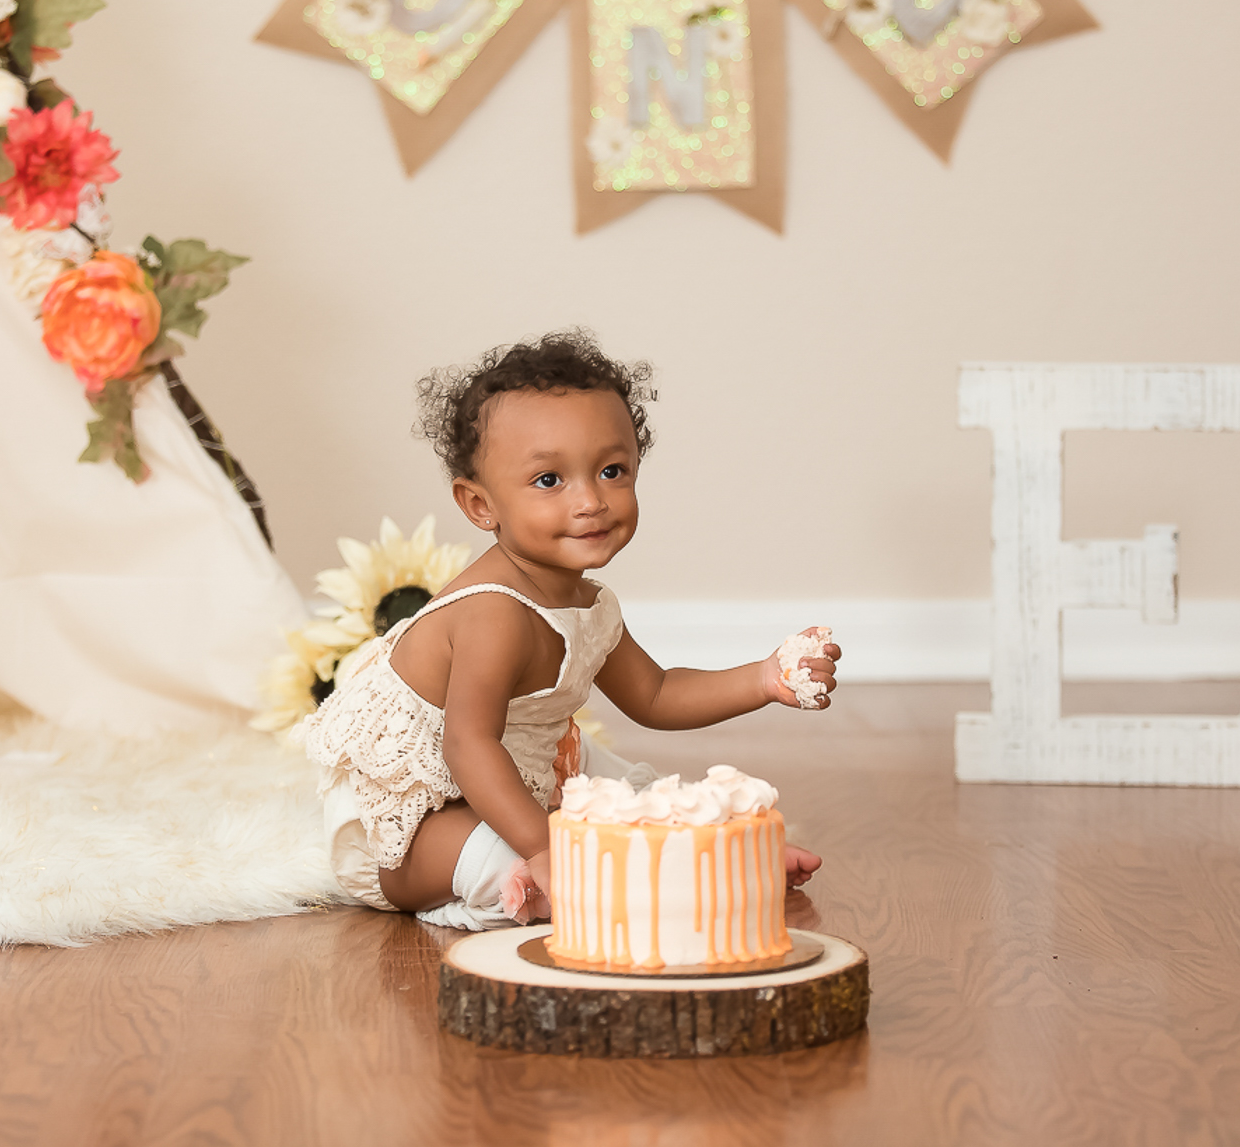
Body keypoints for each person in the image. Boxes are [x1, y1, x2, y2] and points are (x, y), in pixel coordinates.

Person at [296, 330, 836, 929]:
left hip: (520, 768)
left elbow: (655, 695)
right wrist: (544, 848)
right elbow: (467, 745)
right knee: (511, 858)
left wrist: (762, 678)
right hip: (420, 810)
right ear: (480, 506)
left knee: (635, 792)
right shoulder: (493, 613)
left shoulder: (591, 604)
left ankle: (709, 855)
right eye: (549, 480)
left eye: (611, 471)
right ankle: (594, 878)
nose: (591, 502)